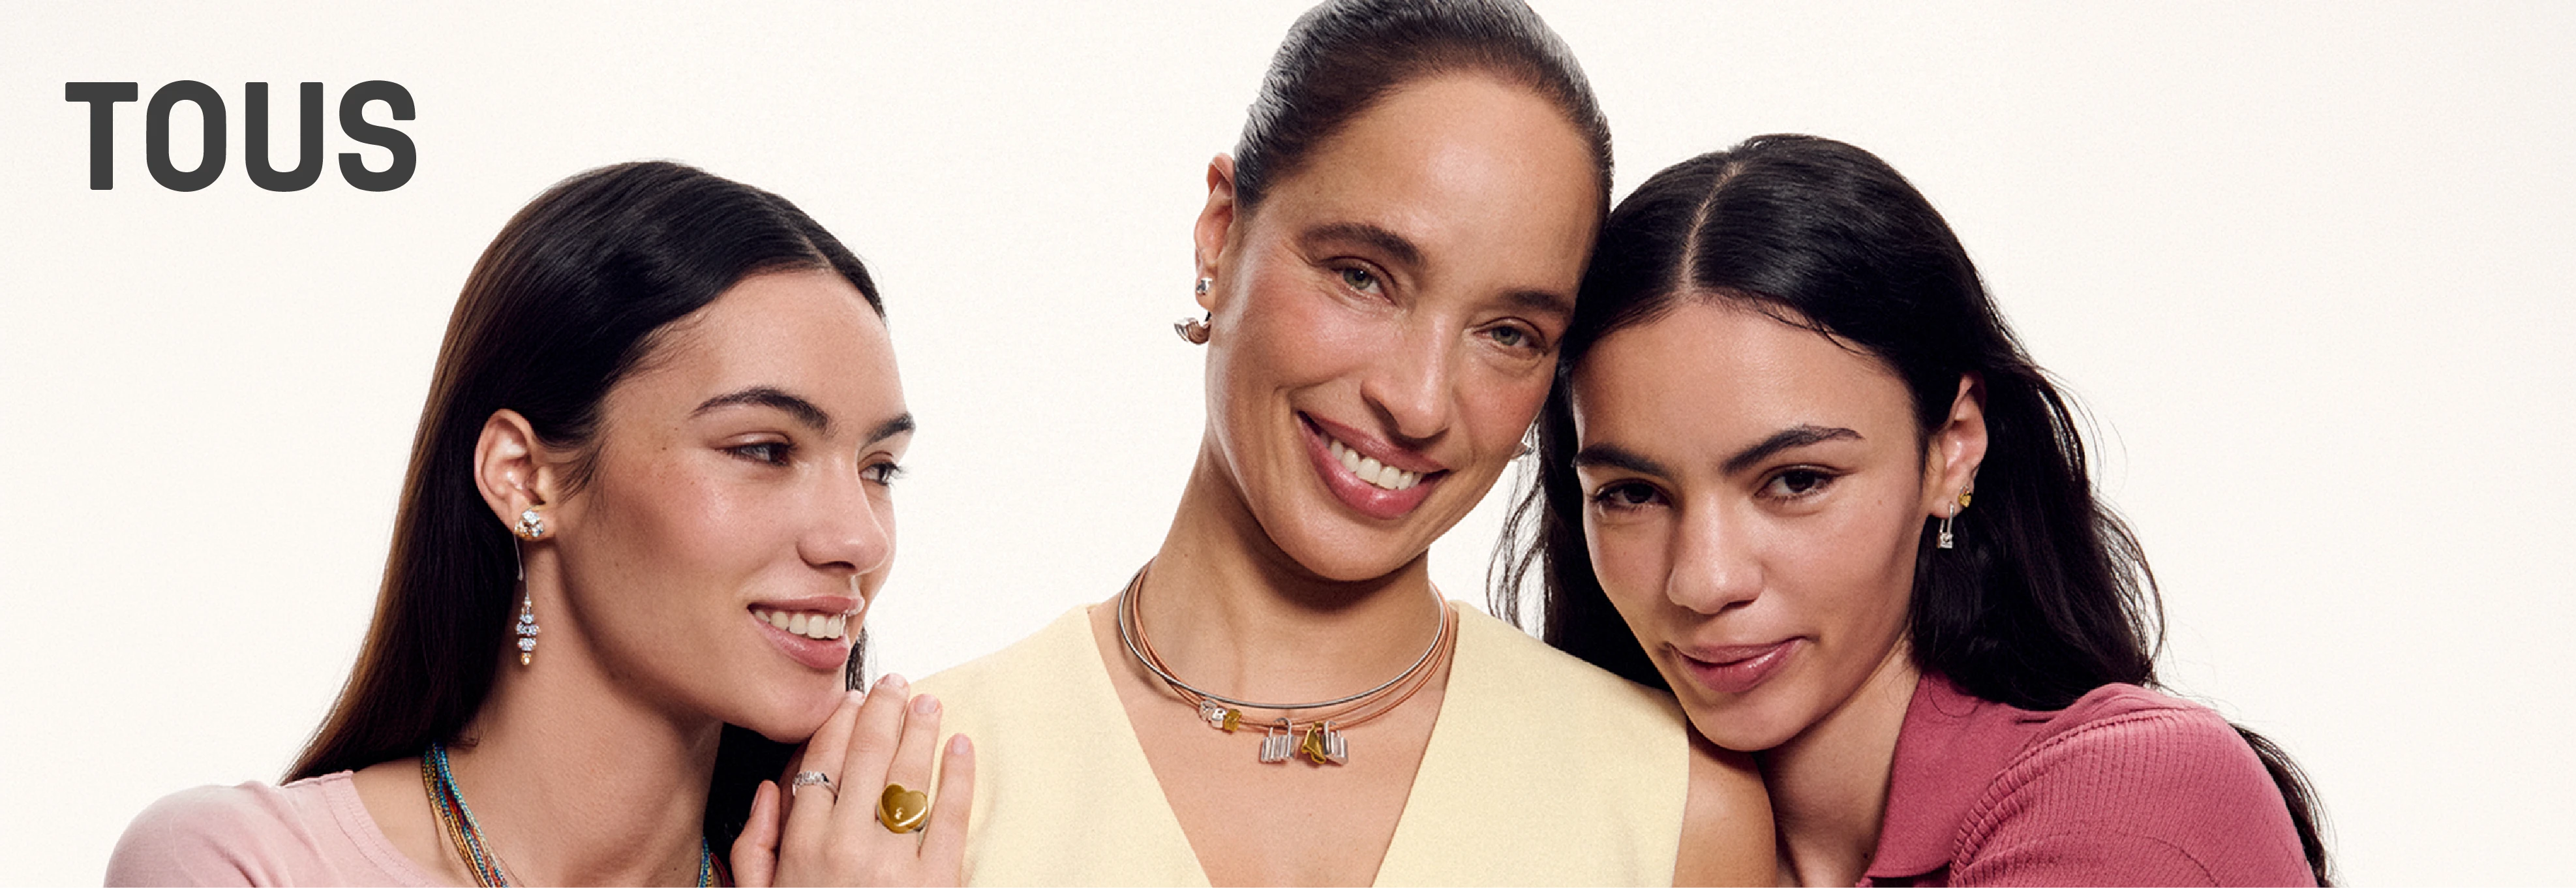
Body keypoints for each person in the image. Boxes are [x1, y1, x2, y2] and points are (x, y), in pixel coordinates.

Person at [914, 2, 1774, 886]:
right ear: (1221, 233)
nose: (1419, 402)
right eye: (1362, 276)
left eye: (1508, 332)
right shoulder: (909, 776)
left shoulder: (1676, 808)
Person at [1499, 134, 2333, 887]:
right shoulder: (1593, 828)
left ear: (1952, 447)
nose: (1703, 579)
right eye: (1633, 493)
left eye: (1796, 480)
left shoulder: (2131, 799)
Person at [107, 161, 971, 888]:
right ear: (524, 477)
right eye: (763, 449)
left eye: (878, 467)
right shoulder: (242, 864)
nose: (860, 540)